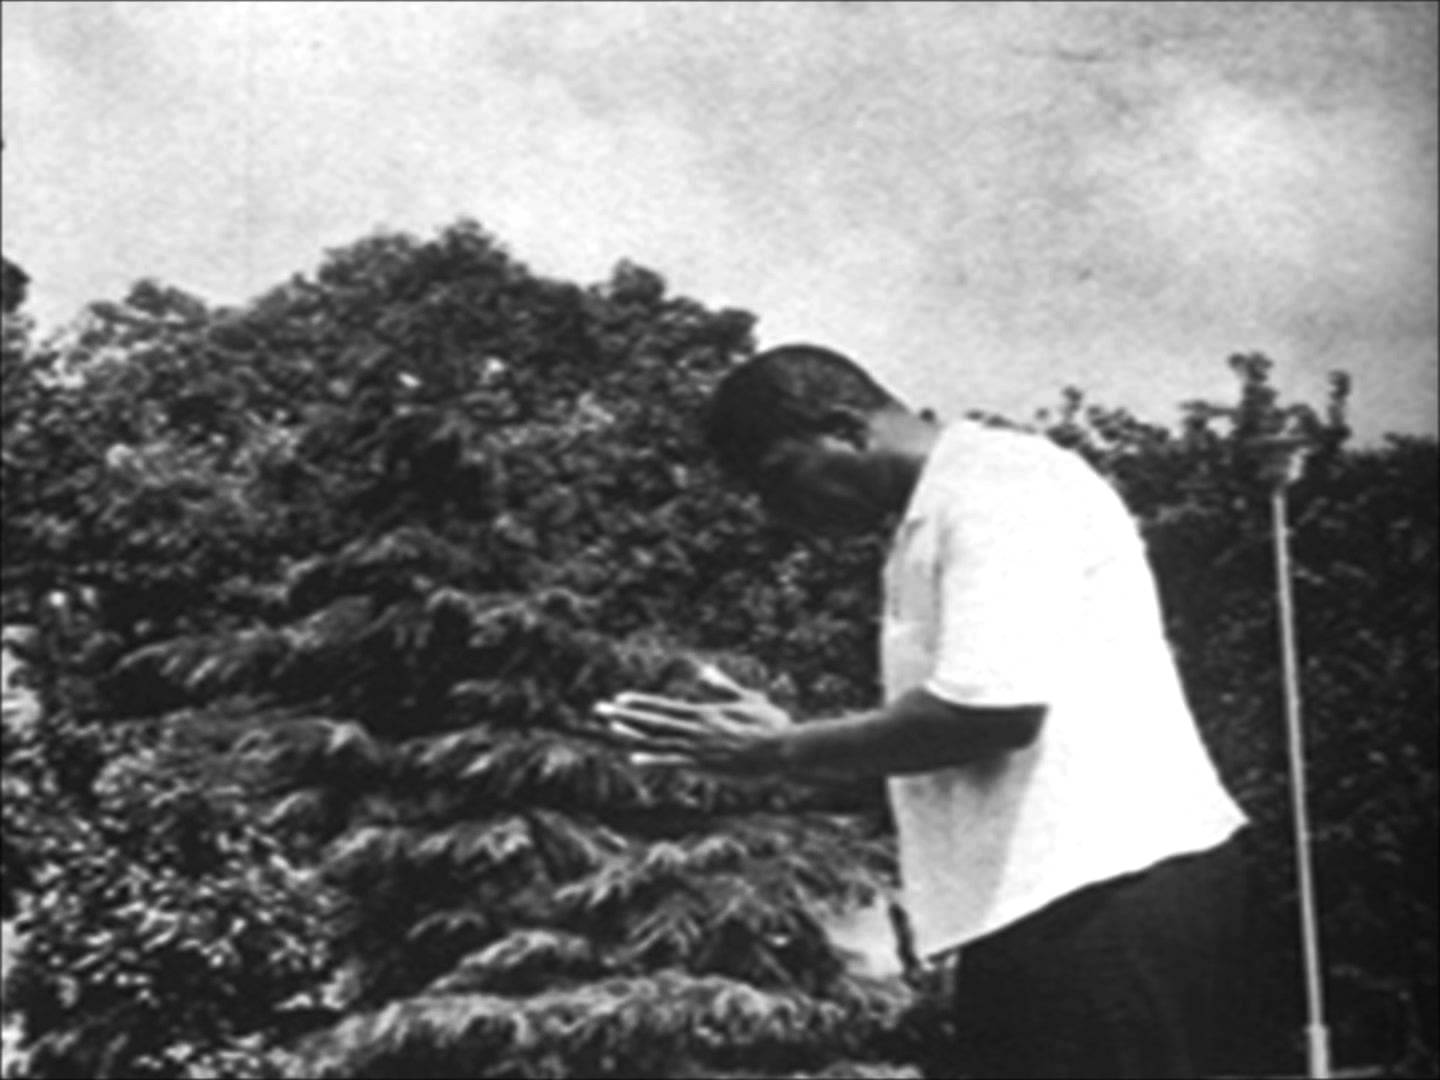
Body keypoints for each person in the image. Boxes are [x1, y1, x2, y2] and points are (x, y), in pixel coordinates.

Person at [600, 343, 1259, 1078]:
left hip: (1107, 891)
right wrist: (785, 747)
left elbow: (992, 715)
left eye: (780, 478)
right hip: (1050, 903)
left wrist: (785, 750)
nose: (779, 513)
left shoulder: (998, 485)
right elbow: (958, 750)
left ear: (848, 428)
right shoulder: (936, 513)